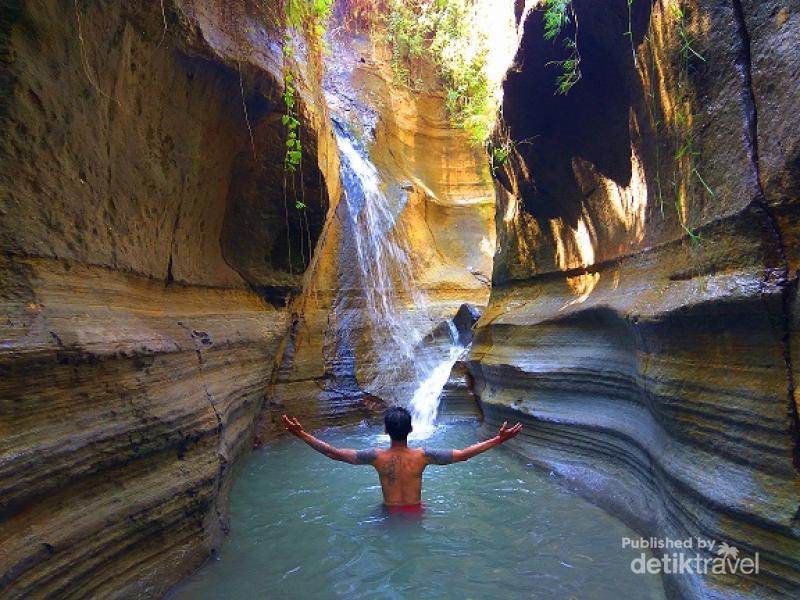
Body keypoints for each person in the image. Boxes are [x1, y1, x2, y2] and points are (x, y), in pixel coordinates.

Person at [281, 406, 523, 513]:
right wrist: (497, 440)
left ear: (385, 431)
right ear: (411, 430)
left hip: (389, 514)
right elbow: (462, 455)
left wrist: (301, 434)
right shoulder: (423, 456)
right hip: (417, 512)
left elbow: (333, 453)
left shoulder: (376, 456)